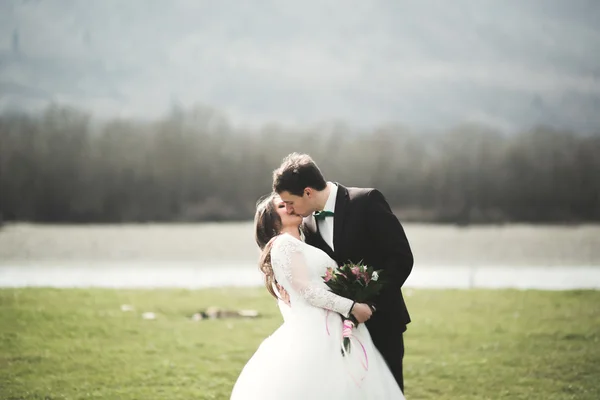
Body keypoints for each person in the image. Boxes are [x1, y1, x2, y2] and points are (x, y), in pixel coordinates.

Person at [230, 194, 405, 400]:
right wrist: (351, 307)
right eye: (281, 205)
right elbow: (307, 291)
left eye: (288, 202)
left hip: (334, 325)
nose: (289, 206)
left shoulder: (306, 243)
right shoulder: (284, 244)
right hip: (319, 331)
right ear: (272, 218)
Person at [273, 153, 414, 392]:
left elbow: (400, 258)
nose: (288, 209)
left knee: (387, 393)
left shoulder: (367, 201)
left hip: (381, 323)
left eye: (290, 202)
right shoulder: (307, 224)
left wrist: (372, 303)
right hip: (338, 332)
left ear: (308, 192)